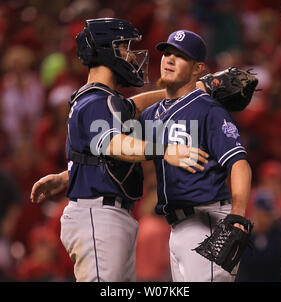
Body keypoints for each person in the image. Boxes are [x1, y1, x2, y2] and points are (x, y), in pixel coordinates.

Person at [30, 18, 209, 282]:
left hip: (107, 214)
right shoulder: (93, 101)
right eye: (123, 47)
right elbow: (114, 145)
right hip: (98, 215)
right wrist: (164, 150)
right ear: (104, 50)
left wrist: (193, 89)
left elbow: (132, 108)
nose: (130, 55)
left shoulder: (102, 99)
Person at [137, 29, 252, 282]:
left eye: (179, 56)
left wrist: (238, 214)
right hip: (175, 227)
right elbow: (123, 116)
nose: (168, 59)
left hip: (207, 221)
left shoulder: (208, 110)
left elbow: (239, 162)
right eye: (166, 53)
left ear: (198, 67)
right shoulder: (152, 114)